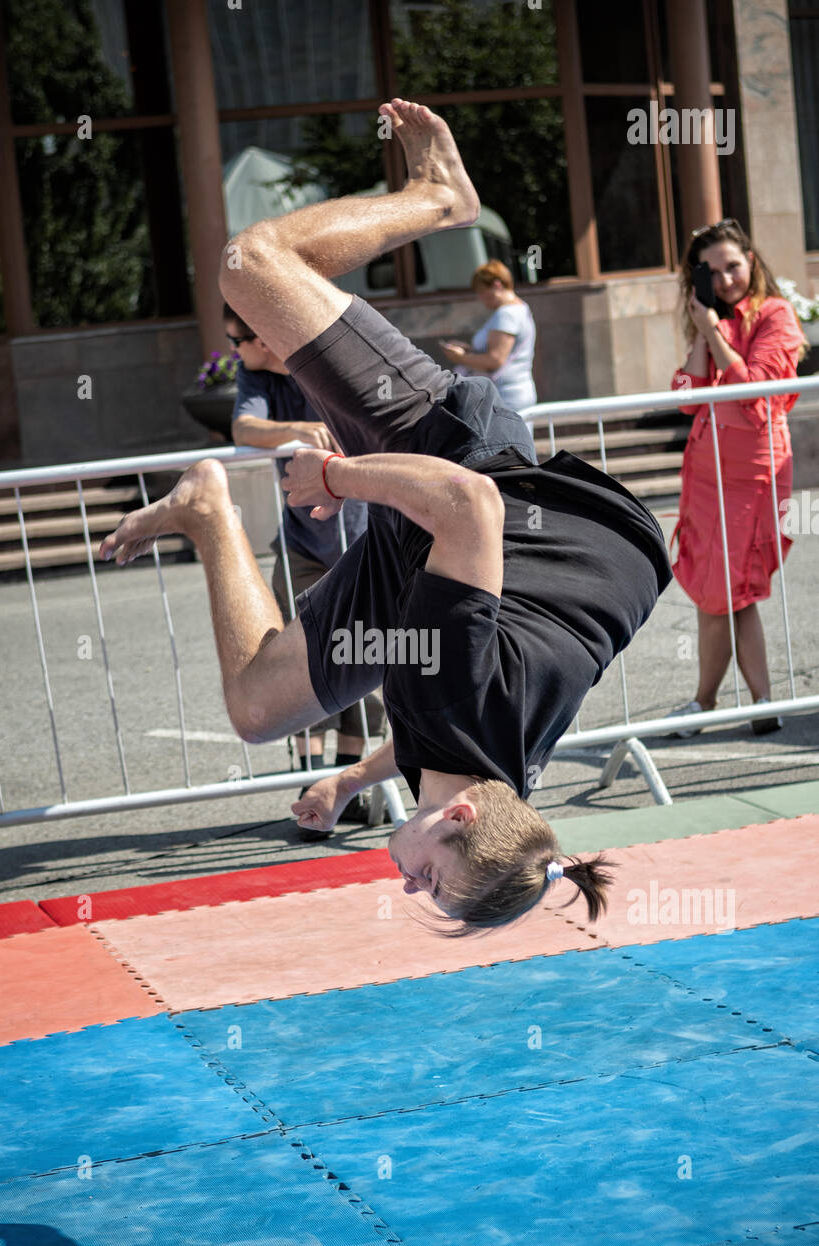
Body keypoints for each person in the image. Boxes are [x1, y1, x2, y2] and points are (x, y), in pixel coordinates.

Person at [99, 99, 672, 930]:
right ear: (460, 821)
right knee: (251, 264)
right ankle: (444, 199)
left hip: (454, 568)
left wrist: (346, 781)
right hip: (467, 469)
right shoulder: (459, 697)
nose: (412, 889)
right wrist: (335, 476)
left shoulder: (490, 774)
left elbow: (429, 733)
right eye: (432, 884)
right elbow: (467, 508)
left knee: (260, 709)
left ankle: (206, 509)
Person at [222, 300, 386, 833]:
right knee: (299, 662)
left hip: (365, 542)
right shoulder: (256, 377)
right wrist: (298, 430)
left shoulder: (322, 365)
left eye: (237, 339)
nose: (233, 351)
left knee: (366, 660)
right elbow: (244, 427)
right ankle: (307, 780)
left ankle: (347, 780)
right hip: (303, 547)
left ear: (263, 336)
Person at [667, 217, 808, 738]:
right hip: (705, 474)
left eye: (733, 266)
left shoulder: (776, 315)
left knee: (731, 591)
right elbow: (685, 396)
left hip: (752, 473)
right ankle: (750, 702)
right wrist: (703, 332)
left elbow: (753, 393)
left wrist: (711, 333)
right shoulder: (712, 320)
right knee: (718, 591)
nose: (726, 280)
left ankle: (715, 703)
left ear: (752, 262)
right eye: (711, 272)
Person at [440, 259, 537, 412]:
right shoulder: (520, 307)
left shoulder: (506, 314)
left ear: (497, 285)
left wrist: (460, 358)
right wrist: (470, 350)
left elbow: (495, 360)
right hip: (515, 391)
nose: (479, 298)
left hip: (506, 395)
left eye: (481, 292)